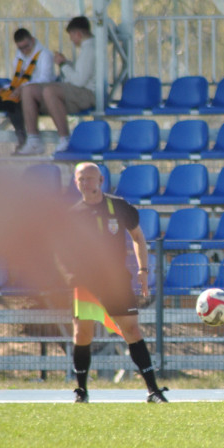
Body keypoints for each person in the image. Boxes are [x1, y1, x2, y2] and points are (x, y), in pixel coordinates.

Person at [66, 162, 168, 403]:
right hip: (86, 282)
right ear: (75, 182)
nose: (85, 183)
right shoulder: (71, 215)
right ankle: (81, 390)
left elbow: (138, 237)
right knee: (83, 334)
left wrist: (143, 269)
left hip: (116, 280)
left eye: (90, 178)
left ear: (101, 180)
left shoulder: (118, 206)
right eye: (81, 179)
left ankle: (153, 389)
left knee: (131, 330)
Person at [16, 16, 96, 156]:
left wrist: (63, 64)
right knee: (28, 90)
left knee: (50, 91)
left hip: (87, 93)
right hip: (78, 90)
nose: (71, 40)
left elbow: (79, 81)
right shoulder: (86, 48)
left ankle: (65, 138)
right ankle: (33, 140)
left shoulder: (90, 49)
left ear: (78, 34)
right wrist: (67, 63)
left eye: (71, 36)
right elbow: (80, 74)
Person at [0, 28, 56, 154]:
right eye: (21, 48)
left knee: (14, 103)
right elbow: (17, 81)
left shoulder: (45, 55)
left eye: (26, 46)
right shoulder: (19, 56)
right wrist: (6, 88)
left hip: (36, 95)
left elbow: (45, 79)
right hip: (18, 91)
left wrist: (22, 88)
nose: (24, 50)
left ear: (32, 40)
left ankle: (22, 142)